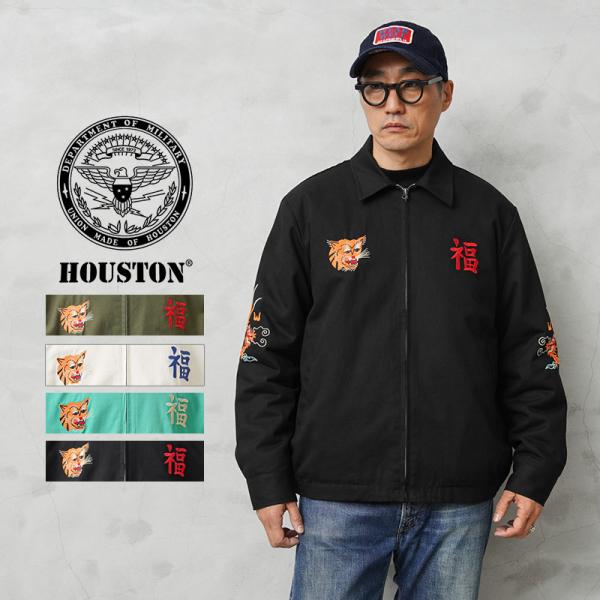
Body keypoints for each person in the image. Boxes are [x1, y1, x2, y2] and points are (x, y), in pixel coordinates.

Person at [234, 19, 568, 600]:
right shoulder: (311, 208)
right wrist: (267, 478)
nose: (393, 104)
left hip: (457, 498)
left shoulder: (488, 214)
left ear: (445, 94)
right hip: (335, 497)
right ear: (362, 96)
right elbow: (266, 355)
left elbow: (530, 349)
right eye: (376, 87)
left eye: (411, 85)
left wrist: (536, 469)